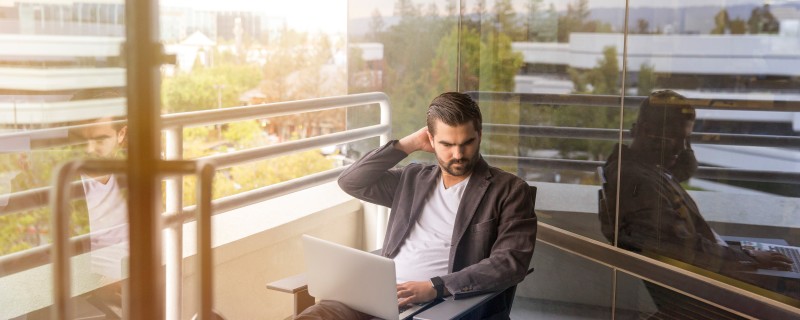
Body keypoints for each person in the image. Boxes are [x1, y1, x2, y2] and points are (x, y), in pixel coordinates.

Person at [296, 92, 537, 320]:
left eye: (467, 143)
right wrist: (406, 145)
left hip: (439, 304)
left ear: (480, 135)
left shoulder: (509, 190)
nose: (458, 154)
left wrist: (436, 287)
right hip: (378, 293)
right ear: (430, 140)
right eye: (446, 144)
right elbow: (351, 182)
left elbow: (510, 263)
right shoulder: (413, 179)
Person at [598, 90, 793, 284]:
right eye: (675, 136)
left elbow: (687, 167)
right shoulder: (640, 182)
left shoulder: (642, 167)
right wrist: (746, 256)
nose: (683, 148)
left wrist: (680, 140)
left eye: (687, 139)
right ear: (646, 130)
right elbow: (683, 247)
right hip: (712, 276)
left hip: (715, 257)